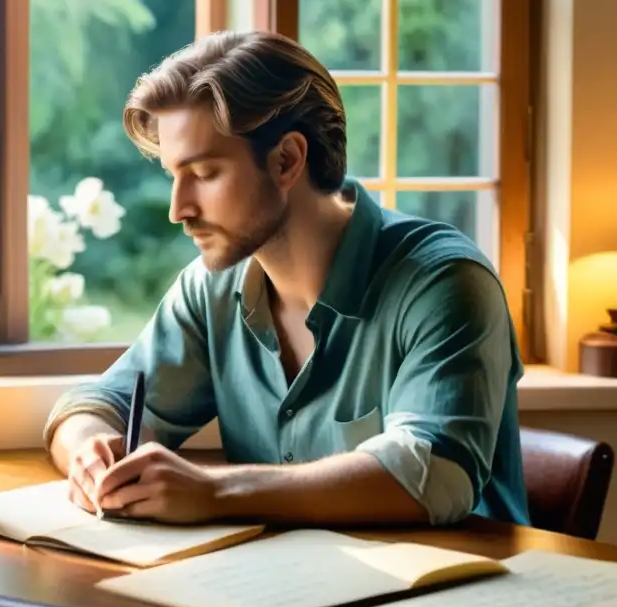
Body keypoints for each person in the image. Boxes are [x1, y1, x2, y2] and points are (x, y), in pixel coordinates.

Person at [42, 30, 529, 528]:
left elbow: (434, 473)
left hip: (459, 591)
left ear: (287, 160)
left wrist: (217, 491)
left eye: (205, 173)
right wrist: (88, 450)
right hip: (288, 590)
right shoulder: (212, 289)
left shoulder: (444, 283)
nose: (178, 210)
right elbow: (97, 404)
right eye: (174, 176)